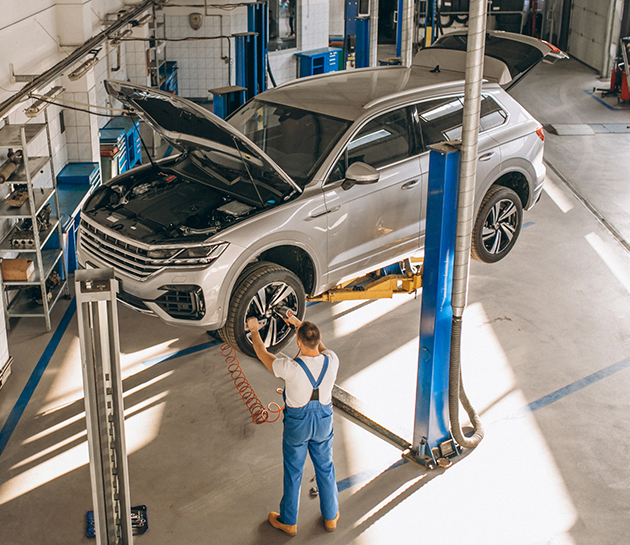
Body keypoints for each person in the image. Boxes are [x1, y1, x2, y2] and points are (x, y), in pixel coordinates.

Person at [246, 314, 340, 537]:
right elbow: (322, 348)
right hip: (323, 422)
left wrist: (254, 330)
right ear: (318, 338)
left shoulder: (290, 367)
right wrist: (300, 325)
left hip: (298, 425)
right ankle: (331, 517)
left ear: (298, 342)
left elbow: (262, 353)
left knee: (293, 472)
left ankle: (288, 522)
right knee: (325, 468)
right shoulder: (332, 360)